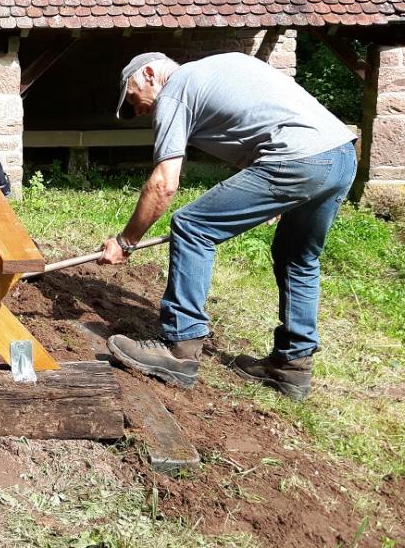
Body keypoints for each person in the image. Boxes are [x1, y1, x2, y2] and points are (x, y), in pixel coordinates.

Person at [98, 52, 358, 400]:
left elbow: (164, 184)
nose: (139, 111)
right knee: (297, 256)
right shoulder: (223, 68)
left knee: (192, 226)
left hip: (297, 158)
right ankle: (293, 366)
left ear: (148, 75)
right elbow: (263, 117)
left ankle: (179, 348)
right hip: (339, 155)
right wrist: (273, 195)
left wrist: (126, 241)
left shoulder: (175, 90)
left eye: (132, 99)